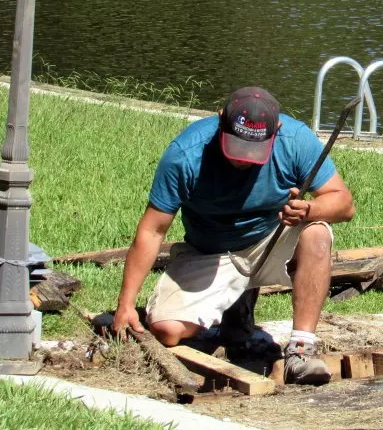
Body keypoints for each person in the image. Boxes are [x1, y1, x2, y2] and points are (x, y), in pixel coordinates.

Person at [113, 86, 354, 385]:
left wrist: (309, 210)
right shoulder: (186, 154)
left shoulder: (296, 140)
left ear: (276, 130)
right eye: (237, 147)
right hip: (211, 252)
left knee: (317, 233)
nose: (243, 159)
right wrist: (125, 304)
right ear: (220, 120)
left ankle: (300, 350)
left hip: (271, 238)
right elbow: (153, 230)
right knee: (167, 330)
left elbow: (344, 204)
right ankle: (237, 302)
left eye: (254, 150)